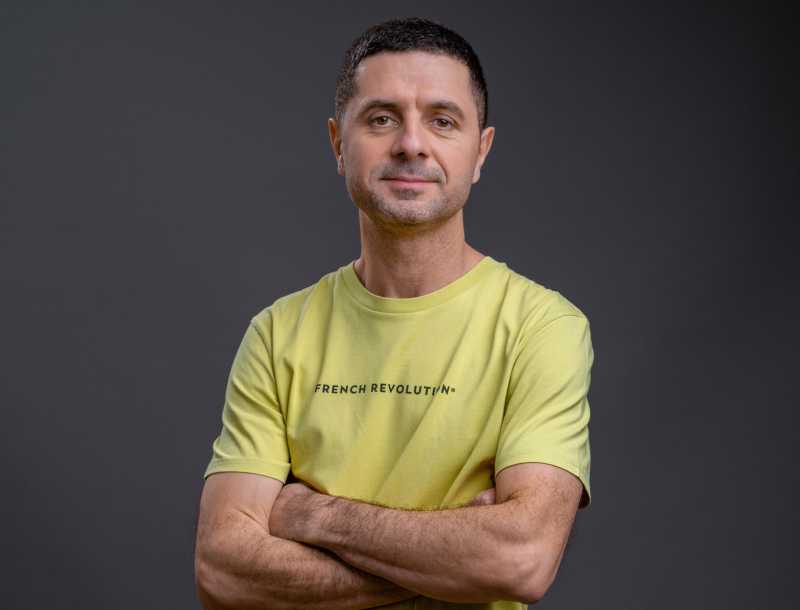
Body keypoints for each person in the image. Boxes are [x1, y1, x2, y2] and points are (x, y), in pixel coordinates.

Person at [194, 16, 593, 610]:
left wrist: (313, 515)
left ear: (480, 151)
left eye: (442, 121)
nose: (411, 144)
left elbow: (519, 560)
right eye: (381, 119)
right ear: (338, 143)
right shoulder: (278, 333)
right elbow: (223, 571)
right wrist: (454, 557)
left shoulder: (542, 327)